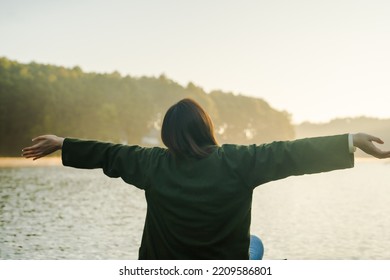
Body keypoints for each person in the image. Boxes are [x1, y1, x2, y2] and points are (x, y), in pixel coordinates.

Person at [22, 98, 390, 260]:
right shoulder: (239, 161)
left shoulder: (152, 164)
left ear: (168, 134)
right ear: (206, 128)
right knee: (255, 245)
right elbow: (291, 153)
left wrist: (62, 143)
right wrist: (351, 140)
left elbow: (108, 153)